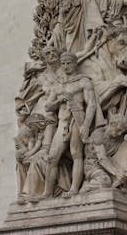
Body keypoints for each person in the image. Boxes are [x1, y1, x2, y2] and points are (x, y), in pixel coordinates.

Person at [40, 52, 99, 198]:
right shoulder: (58, 85)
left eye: (68, 63)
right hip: (62, 122)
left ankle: (73, 189)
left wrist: (86, 125)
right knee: (53, 157)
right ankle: (47, 192)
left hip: (76, 120)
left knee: (76, 154)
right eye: (63, 63)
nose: (66, 66)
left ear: (75, 64)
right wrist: (58, 101)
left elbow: (91, 104)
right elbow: (47, 107)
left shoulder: (83, 81)